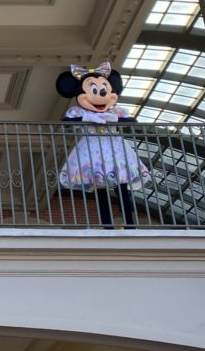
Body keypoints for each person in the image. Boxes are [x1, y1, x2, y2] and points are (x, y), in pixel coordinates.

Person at [56, 62, 150, 229]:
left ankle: (129, 223)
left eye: (104, 90)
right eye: (93, 91)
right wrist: (86, 119)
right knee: (100, 188)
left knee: (121, 187)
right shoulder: (81, 113)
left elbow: (131, 121)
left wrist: (114, 119)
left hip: (115, 151)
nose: (100, 95)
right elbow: (66, 123)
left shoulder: (115, 112)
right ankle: (107, 225)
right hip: (93, 152)